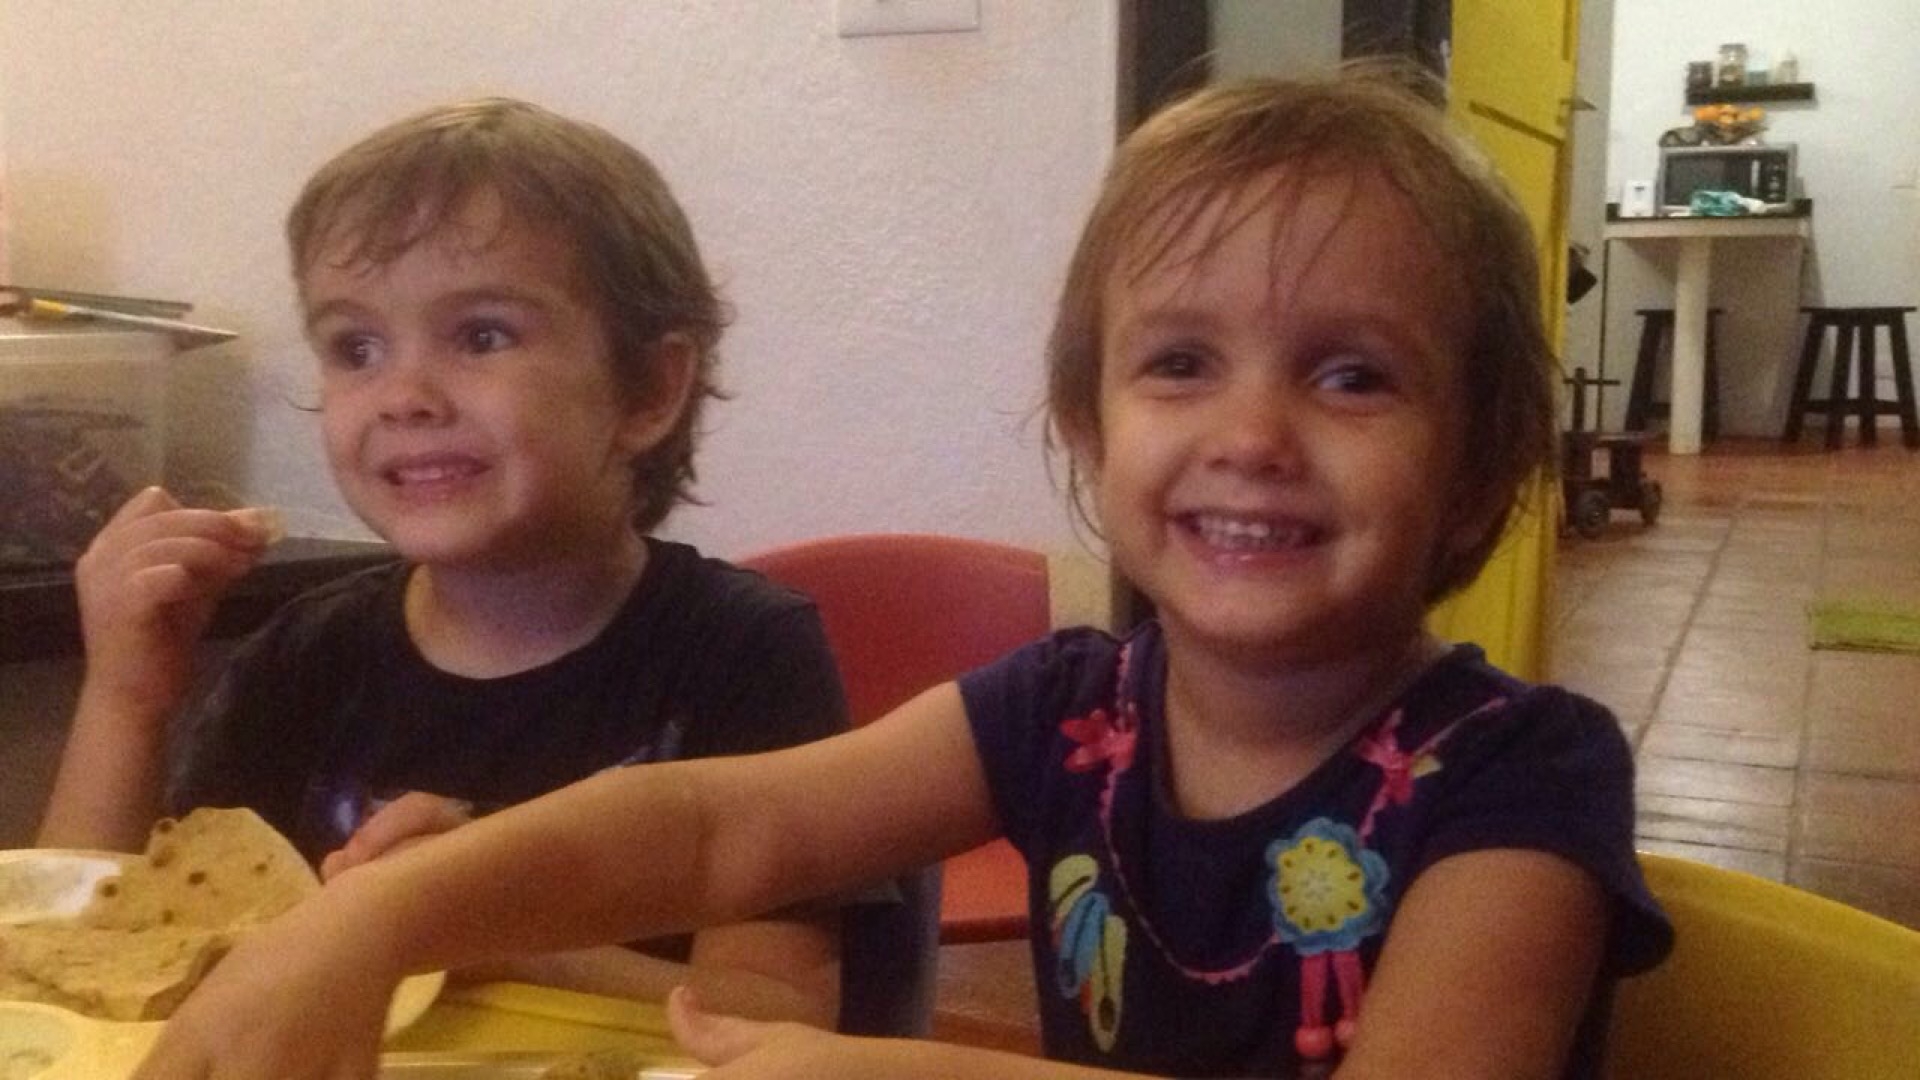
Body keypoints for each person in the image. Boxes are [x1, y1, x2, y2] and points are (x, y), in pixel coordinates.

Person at [129, 67, 1671, 1080]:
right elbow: (723, 825)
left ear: (1483, 463)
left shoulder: (1527, 777)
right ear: (1089, 427)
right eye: (1181, 364)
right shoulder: (1072, 711)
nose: (1252, 436)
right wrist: (377, 919)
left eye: (1351, 377)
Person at [36, 97, 863, 1029]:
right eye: (356, 347)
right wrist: (125, 698)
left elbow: (775, 1013)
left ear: (648, 389)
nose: (404, 395)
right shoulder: (306, 657)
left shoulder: (743, 655)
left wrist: (473, 919)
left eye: (481, 336)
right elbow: (81, 972)